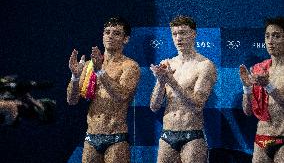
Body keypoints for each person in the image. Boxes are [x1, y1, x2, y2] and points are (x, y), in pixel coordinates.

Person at [67, 17, 140, 163]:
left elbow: (122, 95)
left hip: (116, 138)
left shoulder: (130, 66)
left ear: (126, 39)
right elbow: (72, 100)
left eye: (116, 33)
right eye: (107, 32)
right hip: (91, 137)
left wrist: (100, 72)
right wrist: (75, 77)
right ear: (102, 36)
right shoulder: (88, 65)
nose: (110, 36)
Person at [150, 15, 217, 163]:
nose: (178, 38)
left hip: (191, 136)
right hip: (167, 136)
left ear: (194, 34)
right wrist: (161, 82)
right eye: (174, 34)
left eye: (183, 33)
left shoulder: (205, 65)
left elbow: (198, 104)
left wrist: (172, 82)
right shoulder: (167, 64)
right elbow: (154, 106)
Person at [240, 17, 284, 163]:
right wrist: (246, 88)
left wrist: (268, 85)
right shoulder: (259, 69)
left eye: (276, 36)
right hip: (262, 138)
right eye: (267, 36)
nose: (270, 41)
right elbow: (247, 111)